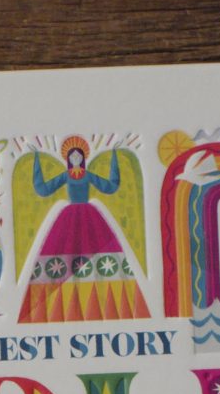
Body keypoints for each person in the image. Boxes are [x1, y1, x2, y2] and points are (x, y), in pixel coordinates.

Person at [17, 138, 151, 322]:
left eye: (78, 156)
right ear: (68, 159)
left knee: (98, 252)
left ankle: (104, 306)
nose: (75, 158)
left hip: (90, 217)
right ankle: (54, 307)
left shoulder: (87, 175)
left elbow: (110, 186)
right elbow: (44, 189)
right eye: (72, 156)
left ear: (83, 157)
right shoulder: (66, 175)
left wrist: (114, 158)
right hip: (69, 218)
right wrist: (36, 160)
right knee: (64, 254)